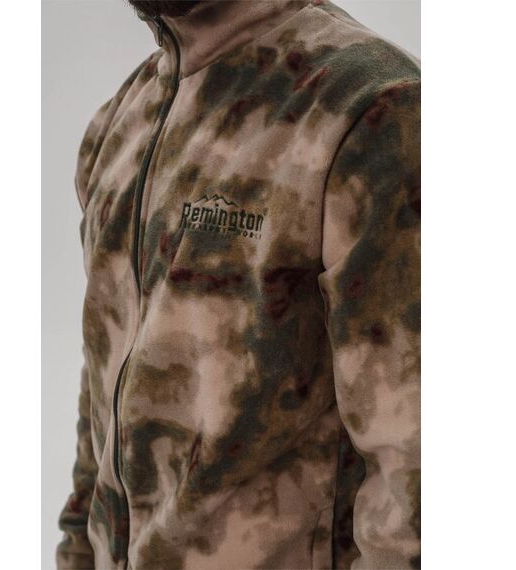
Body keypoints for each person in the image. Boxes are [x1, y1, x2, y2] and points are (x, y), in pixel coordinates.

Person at [56, 1, 420, 568]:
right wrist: (76, 551)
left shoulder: (372, 107)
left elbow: (418, 469)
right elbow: (102, 394)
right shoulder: (123, 121)